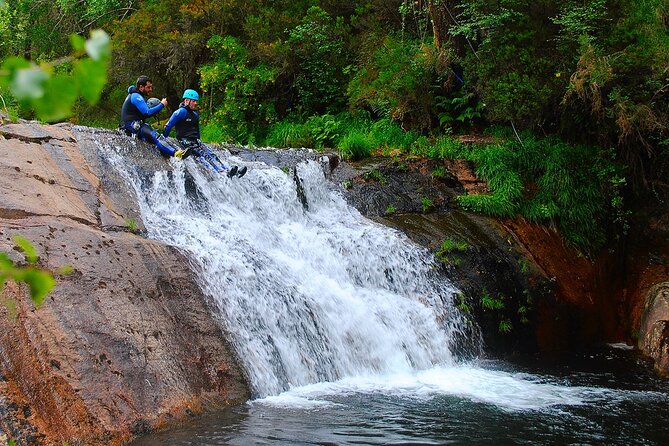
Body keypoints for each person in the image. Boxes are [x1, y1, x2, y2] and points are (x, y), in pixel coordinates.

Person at [163, 89, 246, 177]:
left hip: (195, 140)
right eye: (194, 101)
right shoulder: (180, 112)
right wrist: (165, 138)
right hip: (185, 141)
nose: (196, 103)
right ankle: (221, 172)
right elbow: (168, 127)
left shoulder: (195, 115)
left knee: (211, 154)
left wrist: (198, 140)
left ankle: (228, 170)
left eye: (196, 101)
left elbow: (197, 130)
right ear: (187, 101)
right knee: (202, 156)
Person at [120, 75, 189, 159]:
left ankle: (166, 154)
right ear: (141, 87)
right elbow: (147, 113)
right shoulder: (135, 96)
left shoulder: (137, 95)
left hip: (133, 126)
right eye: (148, 87)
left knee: (153, 138)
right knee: (155, 135)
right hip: (131, 126)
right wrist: (162, 105)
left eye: (151, 87)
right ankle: (176, 154)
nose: (150, 90)